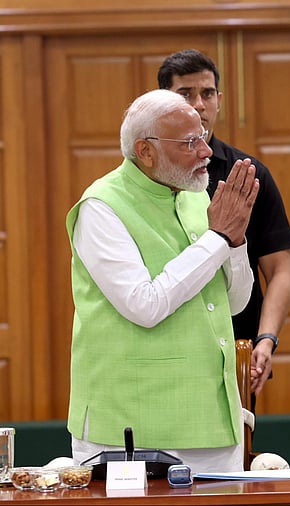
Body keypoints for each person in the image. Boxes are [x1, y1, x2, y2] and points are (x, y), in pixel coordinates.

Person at [66, 89, 259, 473]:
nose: (206, 151)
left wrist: (235, 243)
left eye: (203, 136)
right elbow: (145, 305)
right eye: (190, 142)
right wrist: (218, 239)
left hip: (213, 419)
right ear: (146, 151)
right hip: (130, 424)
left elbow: (234, 304)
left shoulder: (197, 197)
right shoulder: (101, 207)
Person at [158, 49, 290, 401]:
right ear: (163, 104)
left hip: (235, 350)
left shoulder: (248, 174)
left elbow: (279, 270)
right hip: (164, 350)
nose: (199, 104)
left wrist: (267, 340)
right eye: (185, 94)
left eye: (206, 94)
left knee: (239, 455)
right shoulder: (151, 177)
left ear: (219, 100)